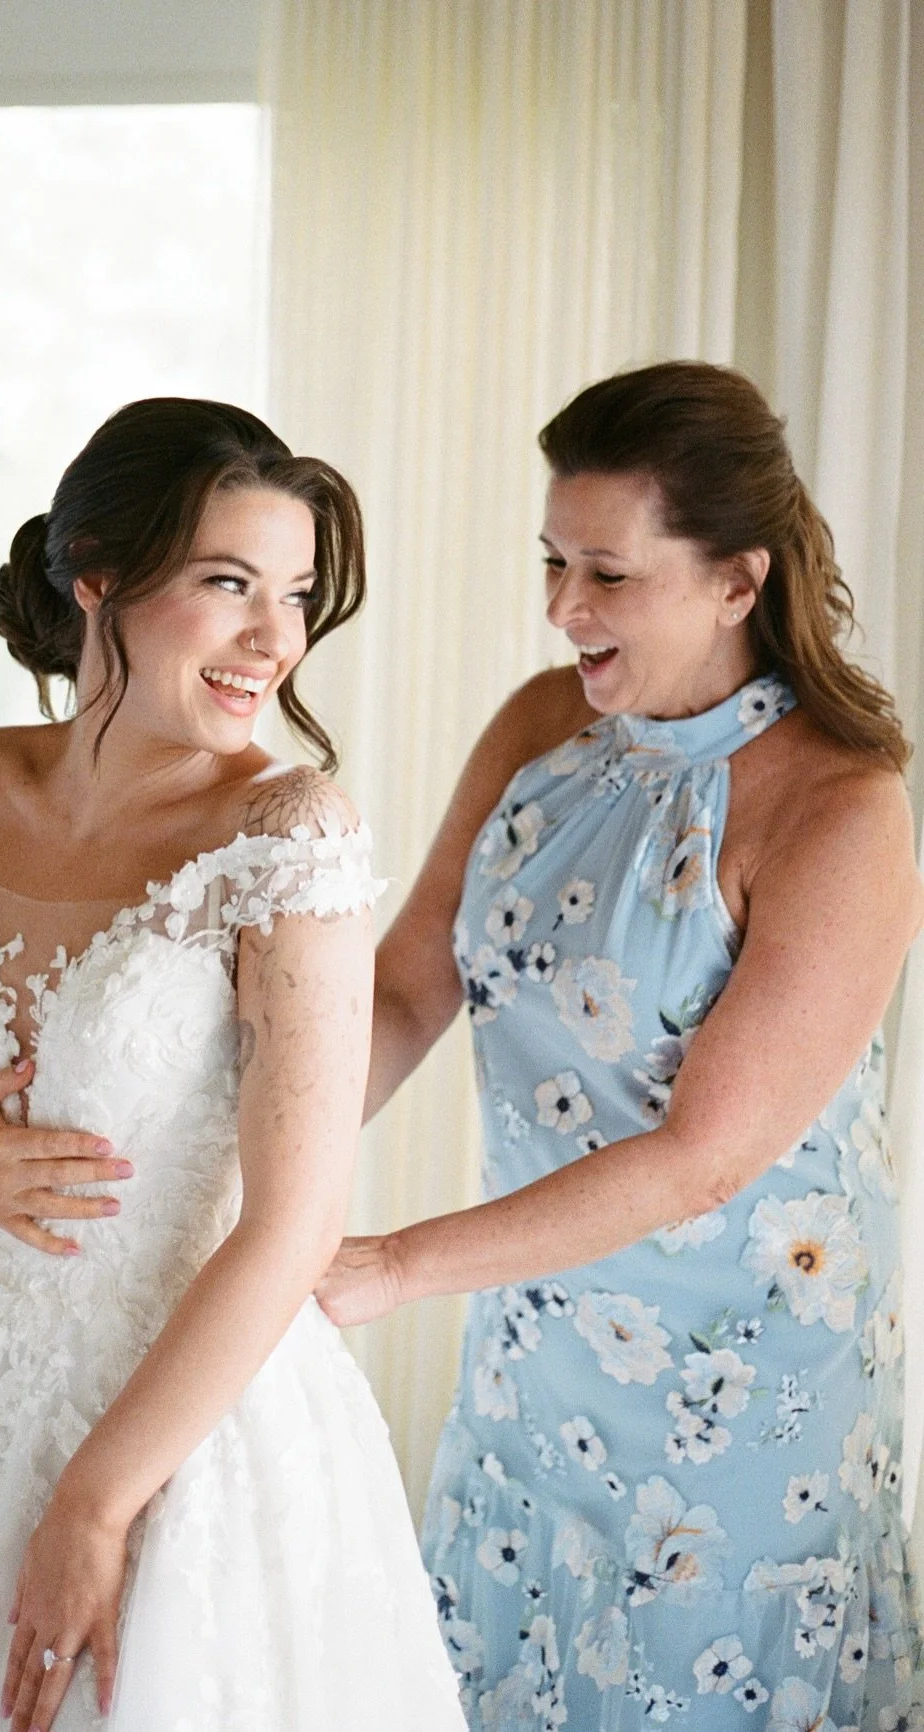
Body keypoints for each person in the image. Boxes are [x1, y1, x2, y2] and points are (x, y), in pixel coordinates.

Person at [0, 398, 464, 1732]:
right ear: (99, 575)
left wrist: (97, 1503)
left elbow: (294, 1225)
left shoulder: (285, 833)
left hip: (191, 1427)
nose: (275, 640)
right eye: (229, 584)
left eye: (296, 596)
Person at [315, 361, 924, 1726]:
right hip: (538, 1334)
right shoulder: (547, 725)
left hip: (740, 1377)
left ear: (737, 581)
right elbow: (408, 984)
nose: (562, 608)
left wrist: (390, 1266)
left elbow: (703, 1158)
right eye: (552, 561)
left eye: (607, 574)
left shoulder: (841, 810)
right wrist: (254, 1157)